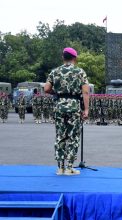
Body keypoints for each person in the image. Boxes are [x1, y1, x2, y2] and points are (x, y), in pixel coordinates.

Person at [44, 47, 89, 175]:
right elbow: (85, 92)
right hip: (74, 107)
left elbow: (46, 88)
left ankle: (60, 168)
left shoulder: (55, 71)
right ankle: (69, 168)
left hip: (59, 106)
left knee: (60, 136)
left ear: (63, 57)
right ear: (75, 58)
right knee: (73, 137)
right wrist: (86, 109)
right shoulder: (80, 72)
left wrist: (58, 93)